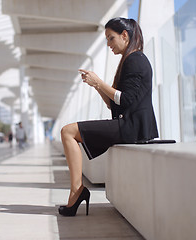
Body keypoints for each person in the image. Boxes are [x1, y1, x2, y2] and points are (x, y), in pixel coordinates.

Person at [58, 17, 159, 217]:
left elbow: (127, 100)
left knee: (68, 131)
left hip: (131, 127)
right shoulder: (130, 59)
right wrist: (96, 86)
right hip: (128, 124)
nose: (108, 44)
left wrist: (100, 82)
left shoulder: (136, 60)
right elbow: (114, 103)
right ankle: (76, 191)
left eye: (111, 38)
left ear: (125, 35)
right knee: (68, 132)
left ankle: (76, 191)